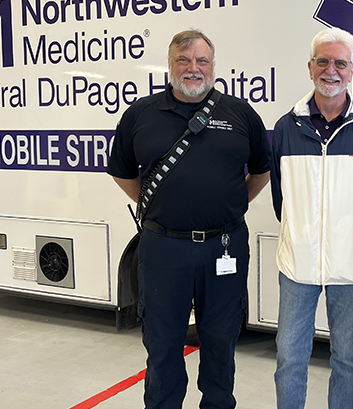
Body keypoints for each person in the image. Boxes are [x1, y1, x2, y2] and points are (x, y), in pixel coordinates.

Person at [107, 29, 271, 409]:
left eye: (202, 61)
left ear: (213, 66)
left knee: (220, 341)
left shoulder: (240, 113)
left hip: (224, 246)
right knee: (163, 345)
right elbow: (122, 171)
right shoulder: (141, 114)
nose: (193, 68)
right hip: (163, 248)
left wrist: (228, 207)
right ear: (169, 65)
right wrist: (160, 208)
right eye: (184, 60)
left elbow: (262, 170)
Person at [270, 27, 353, 409]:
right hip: (297, 267)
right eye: (323, 62)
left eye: (340, 63)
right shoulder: (285, 128)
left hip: (351, 268)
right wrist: (301, 236)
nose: (331, 71)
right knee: (289, 358)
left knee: (348, 359)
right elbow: (280, 198)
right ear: (310, 68)